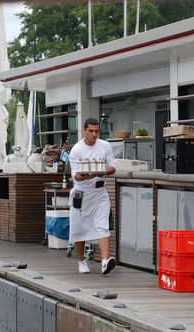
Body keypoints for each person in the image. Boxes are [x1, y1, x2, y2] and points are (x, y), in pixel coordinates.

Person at [69, 117, 117, 274]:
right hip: (82, 193)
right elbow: (76, 175)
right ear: (84, 130)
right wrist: (89, 176)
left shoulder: (105, 146)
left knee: (103, 225)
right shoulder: (76, 150)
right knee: (79, 227)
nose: (94, 134)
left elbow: (112, 166)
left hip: (100, 193)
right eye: (91, 131)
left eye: (97, 131)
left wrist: (102, 172)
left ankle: (105, 261)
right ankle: (81, 261)